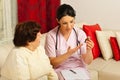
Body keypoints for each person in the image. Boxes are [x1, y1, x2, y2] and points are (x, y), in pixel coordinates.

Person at [45, 4, 94, 80]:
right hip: (60, 70)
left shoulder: (80, 33)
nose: (69, 26)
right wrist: (68, 54)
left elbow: (87, 62)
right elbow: (52, 63)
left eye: (71, 21)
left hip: (79, 68)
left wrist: (89, 50)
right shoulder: (51, 36)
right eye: (65, 23)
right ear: (58, 21)